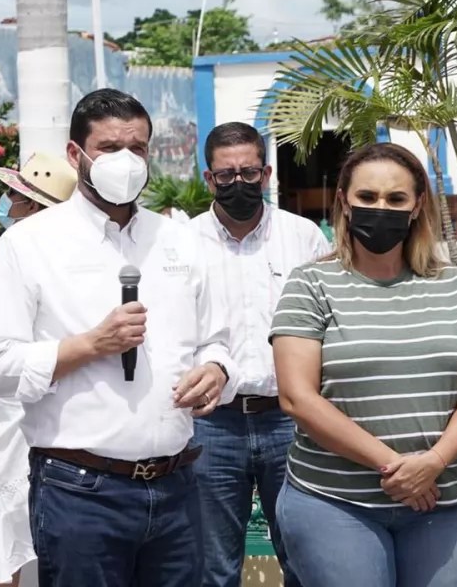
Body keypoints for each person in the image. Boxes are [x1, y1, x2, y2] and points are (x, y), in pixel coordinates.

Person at [0, 88, 237, 587]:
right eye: (109, 148)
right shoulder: (29, 244)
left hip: (178, 486)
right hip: (81, 492)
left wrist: (217, 370)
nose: (126, 161)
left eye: (137, 148)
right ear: (76, 155)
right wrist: (89, 346)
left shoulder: (179, 239)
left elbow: (216, 338)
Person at [270, 142, 457, 587]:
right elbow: (297, 396)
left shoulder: (453, 286)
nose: (381, 208)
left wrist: (434, 462)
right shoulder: (310, 284)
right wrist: (397, 467)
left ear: (416, 208)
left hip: (446, 501)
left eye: (396, 199)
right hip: (335, 502)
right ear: (344, 203)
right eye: (367, 197)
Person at [190, 122, 329, 587]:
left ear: (266, 173)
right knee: (213, 568)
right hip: (210, 426)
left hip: (291, 420)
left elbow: (331, 324)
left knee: (306, 558)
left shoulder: (304, 238)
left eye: (248, 173)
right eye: (226, 176)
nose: (238, 184)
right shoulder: (181, 244)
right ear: (208, 179)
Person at [0, 151, 77, 587]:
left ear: (34, 207)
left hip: (36, 413)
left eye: (14, 195)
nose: (5, 202)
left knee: (25, 522)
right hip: (19, 408)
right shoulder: (22, 252)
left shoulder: (47, 257)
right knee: (12, 524)